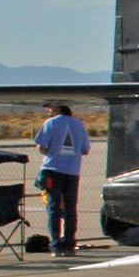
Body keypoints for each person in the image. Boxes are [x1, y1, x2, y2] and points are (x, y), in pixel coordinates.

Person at [33, 103, 91, 255]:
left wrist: (51, 151)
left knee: (54, 208)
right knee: (71, 209)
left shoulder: (51, 123)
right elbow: (85, 150)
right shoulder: (79, 124)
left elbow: (41, 146)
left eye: (50, 110)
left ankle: (56, 245)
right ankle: (69, 244)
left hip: (53, 170)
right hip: (72, 171)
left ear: (57, 110)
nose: (48, 112)